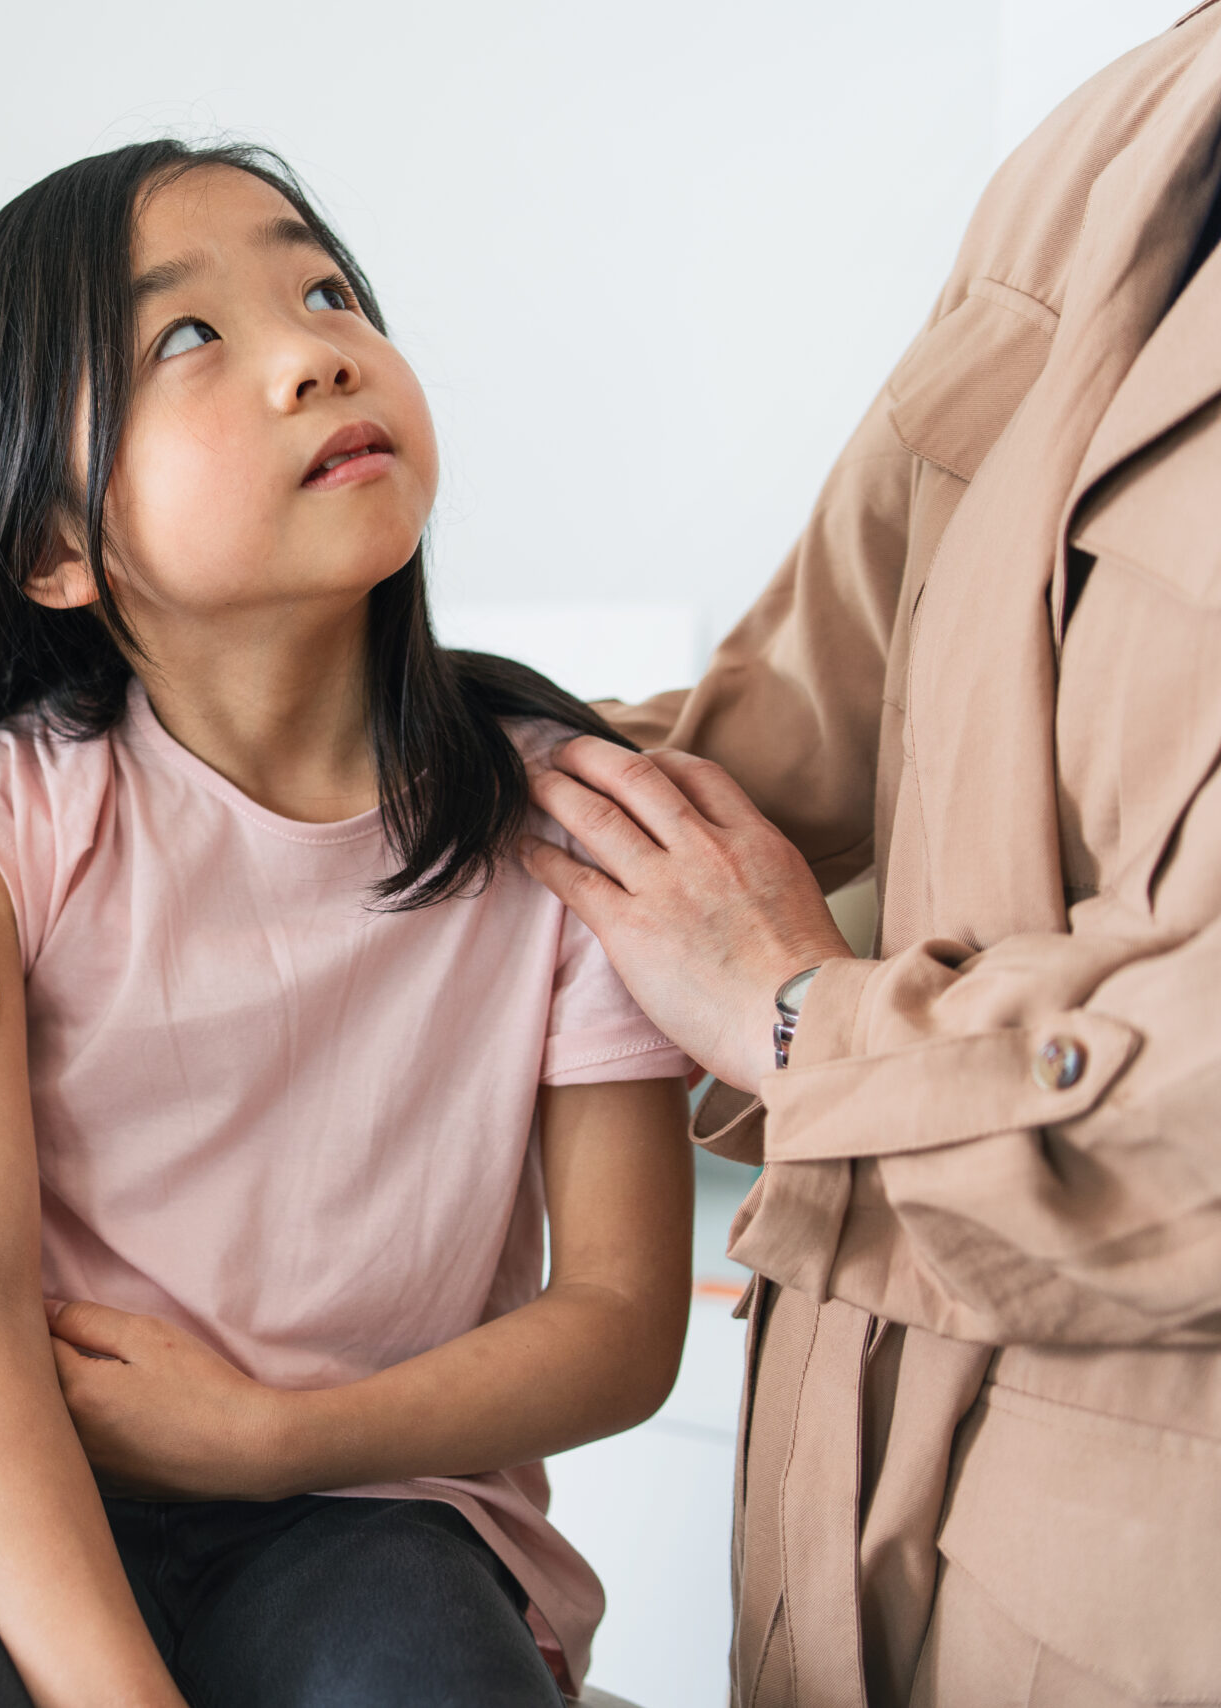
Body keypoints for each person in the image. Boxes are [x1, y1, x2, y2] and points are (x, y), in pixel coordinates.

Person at [0, 142, 699, 1708]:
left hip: (396, 1510)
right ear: (53, 549)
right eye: (188, 338)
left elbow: (621, 1323)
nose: (317, 348)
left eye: (328, 288)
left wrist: (276, 1434)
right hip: (36, 1498)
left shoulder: (570, 824)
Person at [479, 9, 1221, 1704]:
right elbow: (804, 708)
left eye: (322, 298)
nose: (315, 360)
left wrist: (801, 1020)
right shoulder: (1118, 135)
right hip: (856, 1559)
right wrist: (310, 777)